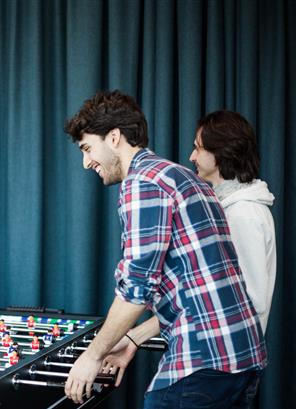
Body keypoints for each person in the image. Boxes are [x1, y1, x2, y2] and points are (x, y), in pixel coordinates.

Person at [62, 91, 266, 408]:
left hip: (203, 360)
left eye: (88, 149)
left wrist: (93, 355)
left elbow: (137, 289)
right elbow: (196, 288)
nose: (86, 162)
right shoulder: (186, 178)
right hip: (243, 358)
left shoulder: (143, 183)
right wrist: (129, 339)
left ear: (114, 137)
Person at [190, 110, 276, 333]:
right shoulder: (233, 207)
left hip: (229, 356)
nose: (192, 157)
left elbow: (250, 299)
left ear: (220, 152)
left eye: (198, 148)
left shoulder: (243, 213)